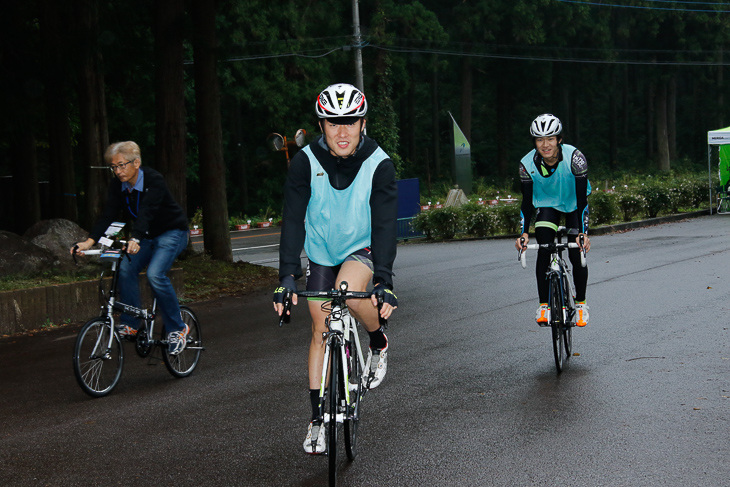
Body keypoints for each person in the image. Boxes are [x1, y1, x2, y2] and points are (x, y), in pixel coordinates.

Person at [273, 83, 398, 454]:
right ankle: (316, 422)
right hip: (321, 251)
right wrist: (286, 277)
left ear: (363, 123)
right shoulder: (304, 162)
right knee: (320, 326)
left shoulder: (380, 163)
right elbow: (293, 220)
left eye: (350, 122)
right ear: (321, 124)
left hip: (361, 247)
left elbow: (386, 225)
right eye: (332, 123)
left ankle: (377, 340)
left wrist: (384, 280)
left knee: (350, 293)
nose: (341, 132)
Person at [71, 141, 190, 355]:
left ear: (137, 163)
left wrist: (135, 238)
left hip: (172, 232)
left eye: (121, 165)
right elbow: (109, 214)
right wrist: (88, 242)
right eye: (113, 167)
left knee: (155, 274)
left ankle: (178, 329)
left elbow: (147, 211)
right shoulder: (118, 185)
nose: (117, 171)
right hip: (145, 236)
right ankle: (132, 324)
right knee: (125, 268)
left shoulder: (153, 179)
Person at [515, 114, 591, 327]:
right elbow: (527, 202)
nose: (545, 144)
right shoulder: (526, 164)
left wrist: (583, 232)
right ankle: (544, 305)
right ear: (534, 142)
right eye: (540, 140)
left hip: (574, 204)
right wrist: (523, 233)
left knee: (576, 252)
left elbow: (582, 199)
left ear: (559, 139)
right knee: (545, 247)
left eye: (550, 138)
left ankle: (582, 304)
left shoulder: (575, 158)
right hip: (546, 205)